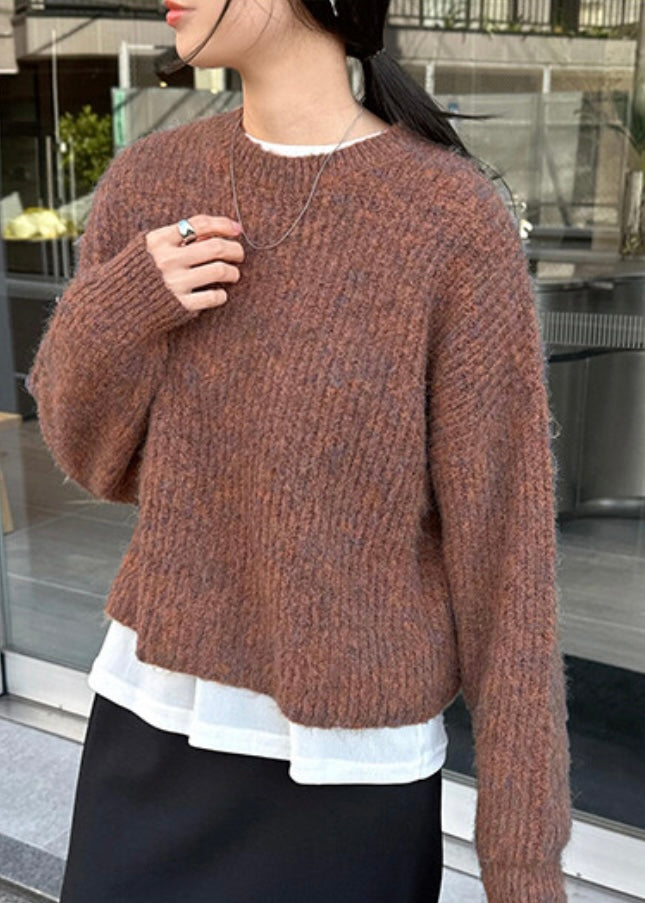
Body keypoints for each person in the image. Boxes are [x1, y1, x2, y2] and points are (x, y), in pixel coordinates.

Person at [26, 1, 572, 901]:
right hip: (151, 727)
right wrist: (122, 306)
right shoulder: (154, 178)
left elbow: (504, 553)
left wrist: (522, 863)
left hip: (347, 774)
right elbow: (89, 455)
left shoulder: (447, 217)